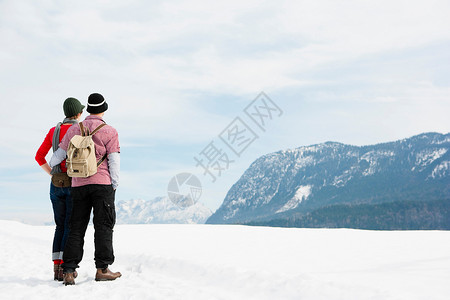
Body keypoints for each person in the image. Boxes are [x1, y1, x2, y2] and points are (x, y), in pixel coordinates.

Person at [49, 93, 121, 285]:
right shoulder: (110, 131)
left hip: (78, 185)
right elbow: (114, 160)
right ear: (104, 109)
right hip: (102, 184)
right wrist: (114, 184)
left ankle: (70, 271)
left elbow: (57, 156)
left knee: (75, 227)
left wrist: (53, 170)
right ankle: (102, 269)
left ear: (87, 109)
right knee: (103, 227)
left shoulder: (74, 129)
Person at [35, 97, 84, 281]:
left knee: (59, 226)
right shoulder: (80, 130)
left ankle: (56, 268)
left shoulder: (53, 131)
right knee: (71, 227)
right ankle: (66, 268)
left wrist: (52, 174)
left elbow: (39, 156)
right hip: (74, 182)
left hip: (55, 184)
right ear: (78, 113)